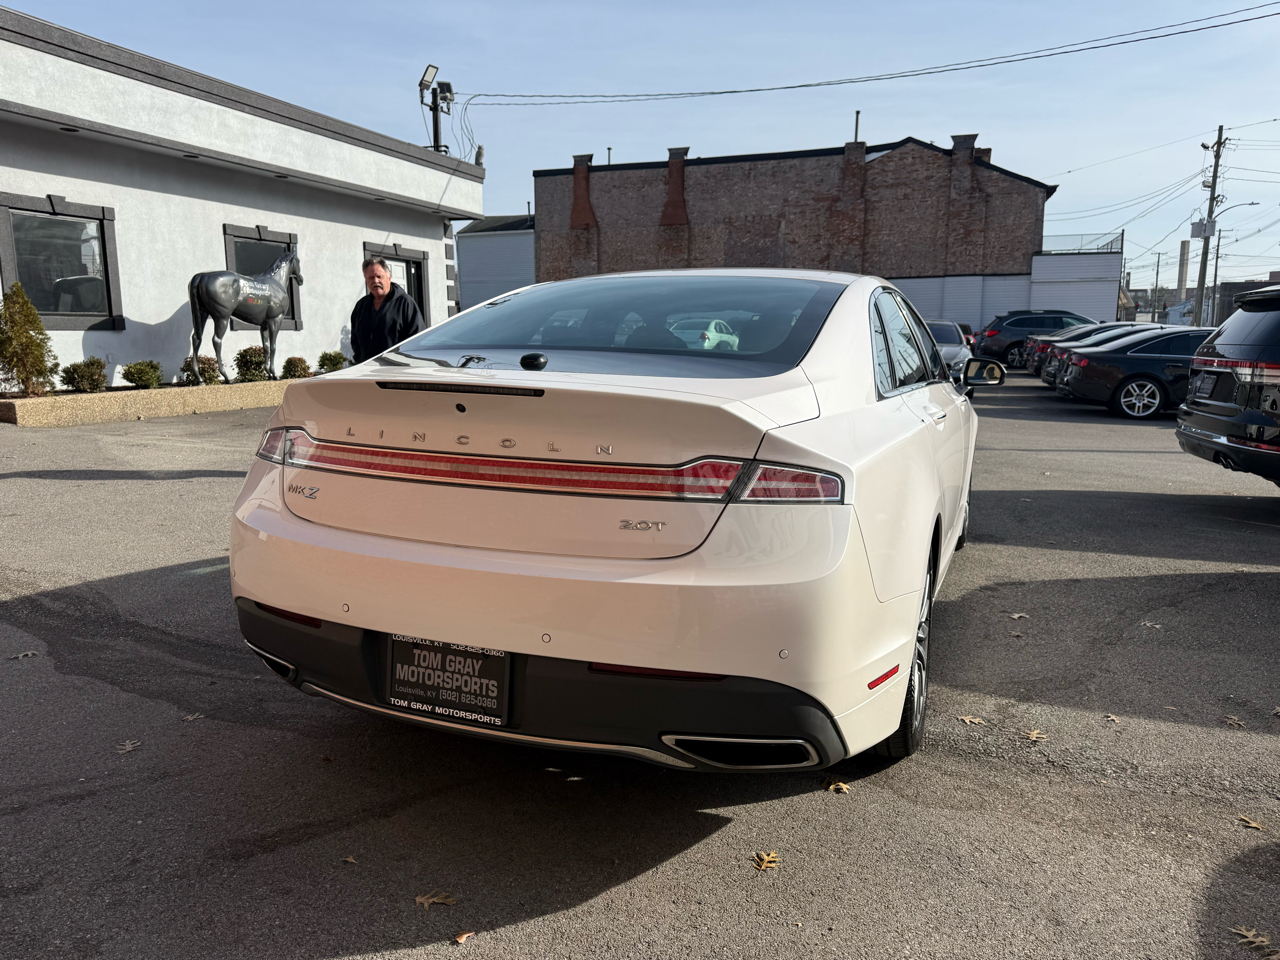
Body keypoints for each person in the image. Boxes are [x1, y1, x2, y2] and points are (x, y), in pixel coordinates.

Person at [350, 257, 425, 364]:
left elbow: (417, 339)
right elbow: (355, 340)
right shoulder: (361, 306)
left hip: (397, 371)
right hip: (367, 371)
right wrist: (361, 359)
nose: (375, 281)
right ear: (366, 281)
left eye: (379, 277)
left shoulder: (405, 303)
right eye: (371, 278)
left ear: (389, 278)